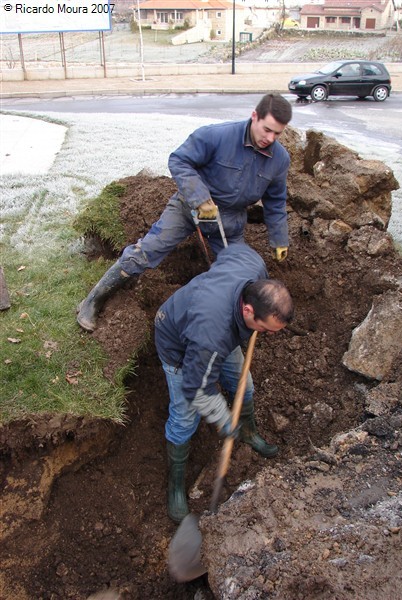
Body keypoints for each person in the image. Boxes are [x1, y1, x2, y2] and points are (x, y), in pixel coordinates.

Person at [77, 93, 293, 332]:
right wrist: (200, 198)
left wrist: (279, 238)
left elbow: (275, 201)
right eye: (267, 130)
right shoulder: (217, 136)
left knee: (238, 272)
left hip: (229, 220)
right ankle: (93, 301)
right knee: (147, 251)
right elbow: (179, 160)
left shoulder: (279, 159)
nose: (270, 138)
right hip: (188, 207)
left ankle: (227, 328)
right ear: (254, 116)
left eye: (277, 134)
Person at [154, 243, 294, 522]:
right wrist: (224, 420)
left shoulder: (252, 267)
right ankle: (176, 487)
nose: (268, 335)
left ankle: (248, 433)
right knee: (185, 417)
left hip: (218, 325)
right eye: (265, 330)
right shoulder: (211, 335)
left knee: (246, 386)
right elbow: (197, 388)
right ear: (248, 311)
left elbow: (234, 250)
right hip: (178, 343)